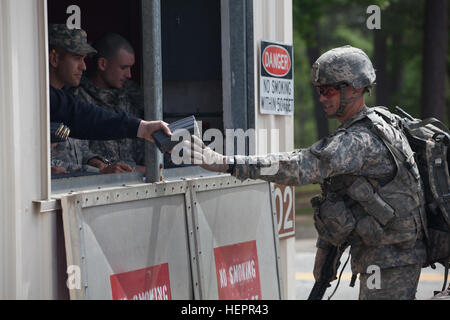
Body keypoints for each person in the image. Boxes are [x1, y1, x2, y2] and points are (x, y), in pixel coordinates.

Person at [184, 45, 427, 300]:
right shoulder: (378, 121)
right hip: (390, 253)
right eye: (319, 90)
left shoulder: (359, 141)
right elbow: (344, 194)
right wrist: (326, 248)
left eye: (329, 89)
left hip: (390, 257)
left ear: (355, 88)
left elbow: (299, 166)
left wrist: (226, 163)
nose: (321, 97)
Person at [48, 24, 170, 154]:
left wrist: (142, 128)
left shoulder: (62, 101)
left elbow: (86, 117)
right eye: (77, 58)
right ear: (54, 59)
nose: (83, 67)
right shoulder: (37, 98)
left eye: (84, 59)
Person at [69, 33, 145, 173]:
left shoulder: (128, 98)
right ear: (103, 64)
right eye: (123, 68)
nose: (129, 75)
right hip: (99, 184)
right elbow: (82, 155)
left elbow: (142, 150)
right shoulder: (78, 100)